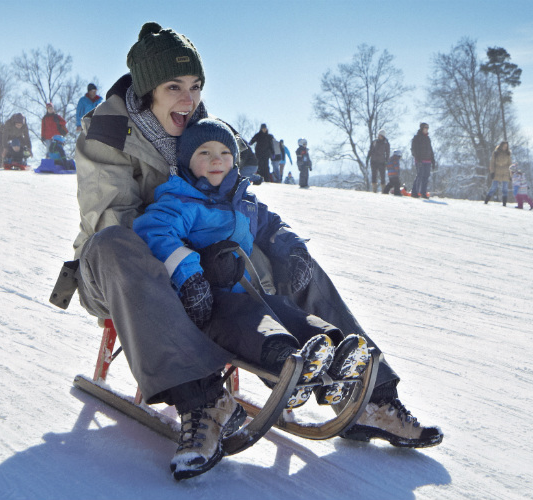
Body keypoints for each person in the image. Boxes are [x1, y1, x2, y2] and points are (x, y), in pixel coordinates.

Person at [68, 22, 441, 482]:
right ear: (147, 92)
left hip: (207, 264)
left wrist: (275, 248)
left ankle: (369, 394)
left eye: (196, 86)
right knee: (115, 241)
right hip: (121, 273)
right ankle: (204, 401)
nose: (189, 98)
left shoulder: (202, 131)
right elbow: (113, 219)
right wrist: (191, 257)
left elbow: (241, 201)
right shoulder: (107, 133)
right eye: (174, 87)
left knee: (286, 252)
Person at [132, 117, 372, 478]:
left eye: (225, 152)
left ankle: (332, 350)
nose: (217, 159)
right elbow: (155, 231)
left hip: (251, 290)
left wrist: (291, 251)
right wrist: (190, 274)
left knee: (285, 310)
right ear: (185, 162)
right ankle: (284, 362)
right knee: (251, 324)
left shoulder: (244, 201)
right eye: (205, 152)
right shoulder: (180, 201)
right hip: (208, 302)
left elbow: (274, 225)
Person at [410, 122, 434, 198]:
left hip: (428, 160)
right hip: (420, 160)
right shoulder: (417, 138)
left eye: (427, 128)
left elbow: (430, 149)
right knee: (420, 175)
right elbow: (413, 149)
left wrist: (433, 160)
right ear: (422, 128)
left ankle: (423, 192)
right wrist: (417, 158)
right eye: (425, 128)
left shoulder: (427, 138)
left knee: (426, 177)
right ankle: (414, 192)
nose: (426, 130)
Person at [484, 141, 512, 206]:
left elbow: (510, 164)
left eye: (506, 146)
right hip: (497, 171)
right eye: (504, 146)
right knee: (494, 187)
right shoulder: (495, 153)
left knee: (505, 188)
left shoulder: (508, 154)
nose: (505, 147)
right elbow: (492, 162)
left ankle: (504, 203)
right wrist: (492, 172)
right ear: (501, 146)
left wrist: (511, 174)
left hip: (505, 172)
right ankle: (486, 200)